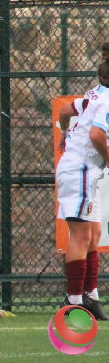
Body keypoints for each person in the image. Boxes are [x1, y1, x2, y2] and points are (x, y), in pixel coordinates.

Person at [54, 45, 109, 320]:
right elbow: (97, 135)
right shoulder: (107, 101)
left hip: (85, 170)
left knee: (94, 234)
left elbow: (66, 110)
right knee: (81, 236)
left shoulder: (94, 94)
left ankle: (91, 296)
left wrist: (65, 134)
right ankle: (73, 300)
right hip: (80, 169)